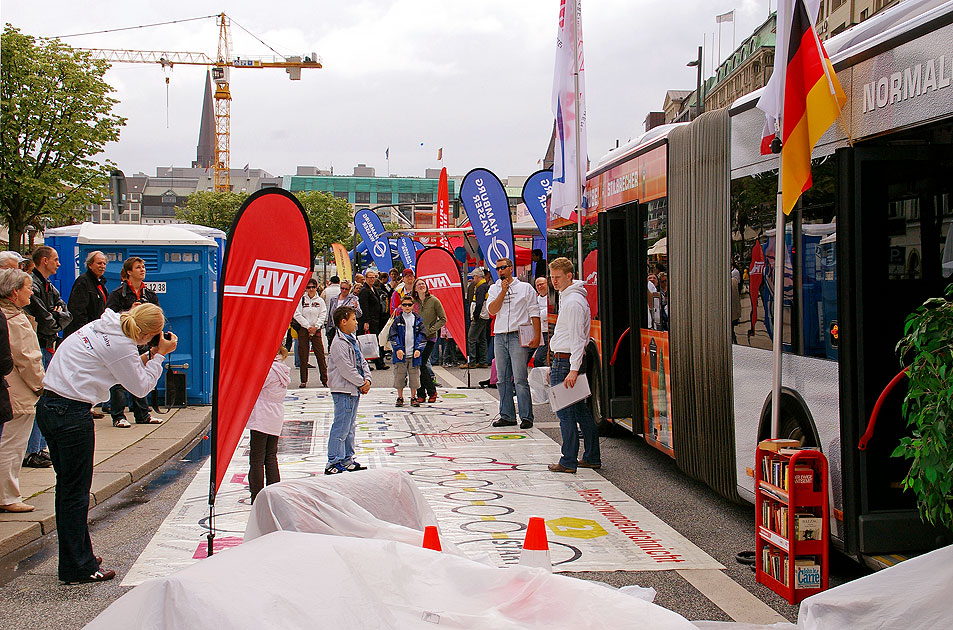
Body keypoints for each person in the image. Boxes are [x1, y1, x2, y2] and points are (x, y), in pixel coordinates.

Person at [37, 302, 177, 583]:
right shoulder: (122, 345)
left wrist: (148, 353)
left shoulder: (106, 326)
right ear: (150, 333)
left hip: (51, 406)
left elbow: (123, 368)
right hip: (72, 413)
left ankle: (78, 555)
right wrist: (160, 356)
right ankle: (78, 566)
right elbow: (140, 387)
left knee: (67, 489)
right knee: (75, 493)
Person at [546, 257, 600, 474]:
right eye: (552, 277)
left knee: (566, 413)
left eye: (557, 277)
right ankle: (590, 456)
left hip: (567, 360)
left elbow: (578, 338)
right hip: (567, 360)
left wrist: (573, 369)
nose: (554, 281)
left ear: (569, 276)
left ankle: (569, 459)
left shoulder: (573, 302)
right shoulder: (571, 298)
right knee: (578, 411)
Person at [0, 269, 45, 512]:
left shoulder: (9, 316)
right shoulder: (14, 321)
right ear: (15, 292)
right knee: (13, 445)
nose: (32, 291)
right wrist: (41, 385)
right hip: (19, 392)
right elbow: (27, 359)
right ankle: (8, 496)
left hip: (11, 389)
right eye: (28, 287)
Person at [23, 246, 72, 468]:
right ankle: (32, 449)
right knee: (40, 397)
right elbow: (44, 317)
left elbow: (65, 314)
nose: (59, 263)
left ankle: (39, 447)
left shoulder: (48, 286)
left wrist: (55, 316)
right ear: (44, 260)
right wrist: (54, 317)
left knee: (46, 396)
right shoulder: (32, 285)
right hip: (40, 345)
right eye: (56, 259)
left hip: (48, 344)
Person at [105, 257, 161, 428]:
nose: (142, 270)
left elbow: (156, 316)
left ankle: (142, 413)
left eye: (143, 267)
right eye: (138, 267)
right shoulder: (117, 294)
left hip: (143, 340)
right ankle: (118, 415)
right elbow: (109, 315)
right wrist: (129, 312)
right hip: (123, 342)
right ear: (129, 272)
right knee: (119, 379)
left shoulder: (149, 294)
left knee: (140, 374)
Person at [486, 257, 540, 429]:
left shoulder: (525, 288)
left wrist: (537, 336)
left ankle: (526, 416)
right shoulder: (494, 288)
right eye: (497, 269)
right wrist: (502, 291)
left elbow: (534, 312)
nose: (500, 271)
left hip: (518, 335)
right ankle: (507, 415)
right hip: (500, 335)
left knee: (520, 378)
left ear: (511, 268)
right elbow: (492, 310)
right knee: (501, 379)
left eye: (503, 268)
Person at [325, 306, 370, 475]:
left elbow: (362, 361)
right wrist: (361, 383)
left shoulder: (353, 339)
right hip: (343, 389)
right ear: (343, 322)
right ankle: (333, 461)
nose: (356, 322)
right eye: (353, 319)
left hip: (354, 389)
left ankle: (347, 458)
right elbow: (346, 369)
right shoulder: (338, 344)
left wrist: (367, 380)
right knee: (341, 426)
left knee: (350, 426)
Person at [246, 346, 291, 503]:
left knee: (257, 459)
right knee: (271, 457)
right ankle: (275, 495)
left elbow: (252, 385)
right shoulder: (282, 369)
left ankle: (256, 497)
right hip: (276, 415)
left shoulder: (268, 370)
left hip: (261, 415)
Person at [413, 279, 446, 404]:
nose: (421, 286)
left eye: (423, 284)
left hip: (429, 338)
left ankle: (432, 391)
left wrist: (431, 329)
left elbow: (443, 319)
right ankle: (421, 394)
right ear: (415, 288)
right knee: (417, 365)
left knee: (421, 364)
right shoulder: (413, 302)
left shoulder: (434, 301)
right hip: (415, 338)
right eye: (418, 284)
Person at [389, 296, 426, 408]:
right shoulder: (397, 320)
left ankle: (413, 397)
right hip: (401, 355)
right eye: (404, 305)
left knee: (414, 377)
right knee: (399, 377)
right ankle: (400, 397)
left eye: (409, 305)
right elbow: (393, 335)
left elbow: (422, 335)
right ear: (401, 306)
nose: (407, 307)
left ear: (413, 306)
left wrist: (419, 349)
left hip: (414, 355)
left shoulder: (418, 320)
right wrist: (398, 349)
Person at [292, 279, 328, 388]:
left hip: (316, 329)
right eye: (308, 287)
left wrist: (316, 326)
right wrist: (307, 326)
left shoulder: (320, 301)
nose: (311, 289)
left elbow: (323, 314)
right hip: (304, 329)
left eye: (313, 287)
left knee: (320, 355)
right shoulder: (302, 299)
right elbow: (297, 314)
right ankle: (303, 380)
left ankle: (325, 379)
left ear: (316, 287)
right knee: (303, 355)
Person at [358, 270, 388, 370]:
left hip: (376, 319)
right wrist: (366, 321)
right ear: (366, 279)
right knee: (367, 342)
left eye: (374, 277)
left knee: (375, 341)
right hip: (368, 320)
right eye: (370, 277)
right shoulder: (364, 290)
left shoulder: (374, 288)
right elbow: (364, 307)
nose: (372, 279)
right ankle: (369, 363)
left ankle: (378, 362)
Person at [326, 280, 361, 346]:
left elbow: (359, 314)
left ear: (350, 289)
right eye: (342, 288)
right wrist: (328, 328)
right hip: (335, 328)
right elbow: (330, 315)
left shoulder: (353, 299)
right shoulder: (334, 299)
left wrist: (356, 308)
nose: (344, 290)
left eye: (346, 289)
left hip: (348, 329)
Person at [530, 276, 550, 367]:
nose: (539, 287)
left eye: (542, 284)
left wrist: (537, 315)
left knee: (539, 358)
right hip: (535, 332)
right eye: (537, 285)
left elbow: (546, 314)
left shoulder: (552, 298)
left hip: (547, 333)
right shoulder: (536, 299)